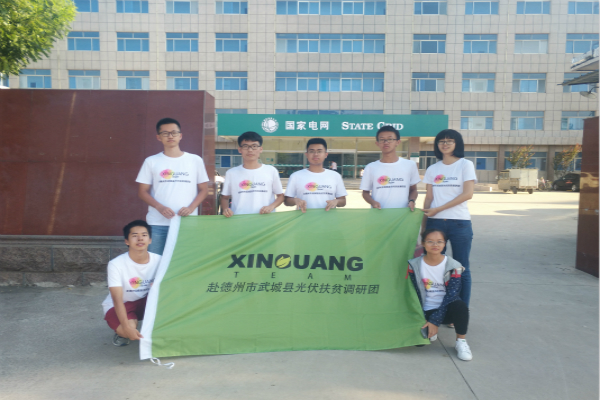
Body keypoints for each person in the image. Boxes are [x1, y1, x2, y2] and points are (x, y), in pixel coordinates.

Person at [136, 118, 209, 255]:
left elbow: (204, 190)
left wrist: (191, 208)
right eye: (165, 133)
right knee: (156, 261)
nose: (170, 136)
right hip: (158, 224)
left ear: (180, 136)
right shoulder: (151, 161)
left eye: (174, 133)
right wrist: (160, 207)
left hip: (187, 223)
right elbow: (142, 192)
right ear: (158, 137)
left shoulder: (195, 160)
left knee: (184, 261)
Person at [422, 129, 476, 310]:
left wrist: (439, 209)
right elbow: (429, 198)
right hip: (435, 223)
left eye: (449, 141)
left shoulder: (465, 165)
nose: (445, 144)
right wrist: (423, 227)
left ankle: (460, 312)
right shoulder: (433, 169)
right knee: (434, 267)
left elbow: (468, 194)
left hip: (459, 222)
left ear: (456, 144)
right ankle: (436, 309)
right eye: (441, 141)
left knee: (461, 268)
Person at [407, 229, 472, 361]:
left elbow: (451, 296)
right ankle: (430, 330)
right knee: (419, 343)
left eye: (439, 242)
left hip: (446, 309)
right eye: (430, 241)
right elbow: (412, 293)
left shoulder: (453, 266)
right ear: (423, 243)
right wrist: (421, 317)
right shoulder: (414, 265)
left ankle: (461, 342)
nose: (435, 245)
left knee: (460, 306)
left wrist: (434, 321)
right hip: (423, 311)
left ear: (444, 244)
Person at [101, 220, 161, 347]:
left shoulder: (159, 260)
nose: (140, 239)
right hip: (123, 304)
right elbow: (117, 299)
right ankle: (123, 330)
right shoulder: (116, 264)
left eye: (144, 235)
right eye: (134, 235)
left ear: (150, 240)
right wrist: (127, 328)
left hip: (147, 301)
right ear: (127, 241)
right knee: (128, 330)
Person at [221, 131, 284, 216]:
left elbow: (281, 196)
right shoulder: (231, 173)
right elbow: (224, 198)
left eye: (254, 146)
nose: (250, 150)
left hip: (266, 220)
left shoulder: (271, 171)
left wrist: (271, 207)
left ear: (260, 149)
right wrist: (226, 209)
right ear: (240, 149)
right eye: (245, 146)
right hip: (239, 220)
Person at [360, 125, 420, 211]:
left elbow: (413, 190)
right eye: (382, 139)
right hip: (379, 214)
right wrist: (373, 202)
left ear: (398, 142)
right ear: (377, 143)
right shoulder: (371, 167)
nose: (386, 142)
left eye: (390, 139)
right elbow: (365, 193)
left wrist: (412, 201)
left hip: (403, 214)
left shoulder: (410, 165)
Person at [284, 138, 347, 212]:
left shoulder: (335, 176)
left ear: (326, 154)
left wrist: (336, 201)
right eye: (312, 151)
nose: (315, 154)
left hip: (329, 218)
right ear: (306, 154)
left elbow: (343, 201)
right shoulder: (296, 176)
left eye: (319, 151)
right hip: (303, 218)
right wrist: (295, 200)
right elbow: (287, 201)